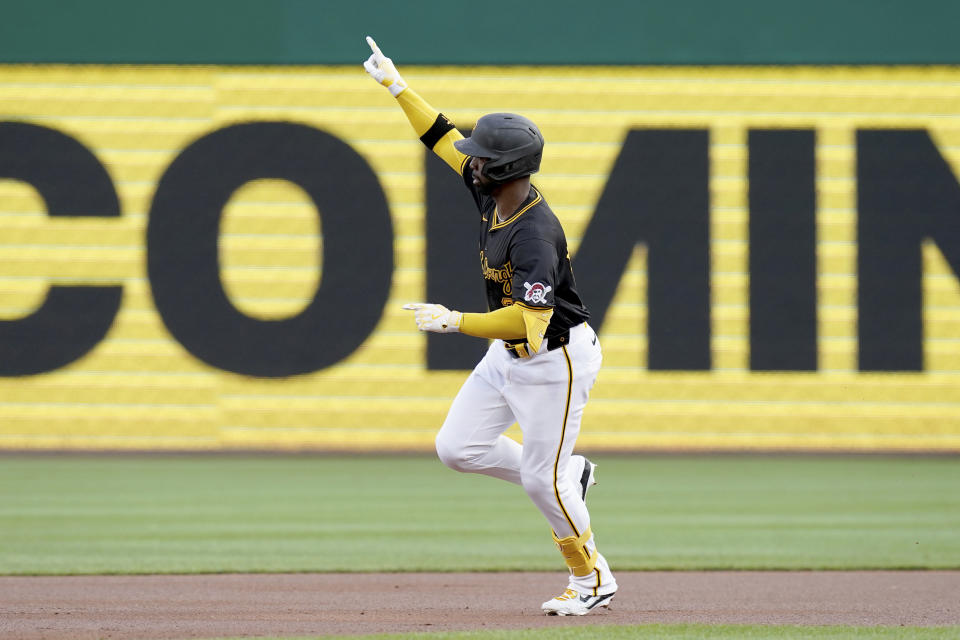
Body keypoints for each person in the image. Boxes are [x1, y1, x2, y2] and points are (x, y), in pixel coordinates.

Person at [363, 37, 617, 616]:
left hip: (555, 359)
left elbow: (531, 324)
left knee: (539, 483)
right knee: (457, 448)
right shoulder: (493, 194)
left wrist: (457, 322)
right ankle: (567, 472)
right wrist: (397, 87)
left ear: (502, 169)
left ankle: (591, 578)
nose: (469, 160)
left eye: (480, 157)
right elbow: (440, 137)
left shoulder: (533, 233)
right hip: (510, 356)